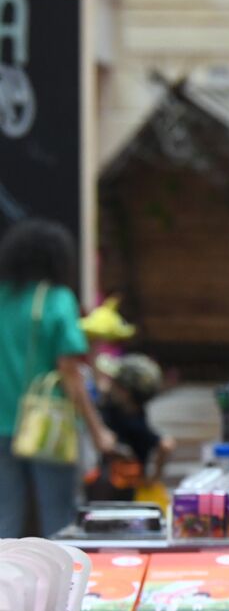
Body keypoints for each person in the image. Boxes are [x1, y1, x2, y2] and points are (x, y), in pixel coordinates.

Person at [0, 220, 117, 538]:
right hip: (46, 424)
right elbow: (70, 374)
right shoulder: (55, 300)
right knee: (58, 517)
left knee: (6, 517)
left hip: (1, 424)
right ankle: (65, 586)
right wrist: (97, 431)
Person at [86, 353, 174, 502]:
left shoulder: (132, 424)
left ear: (125, 393)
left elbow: (167, 445)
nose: (109, 386)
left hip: (122, 491)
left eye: (114, 383)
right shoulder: (125, 409)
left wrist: (153, 479)